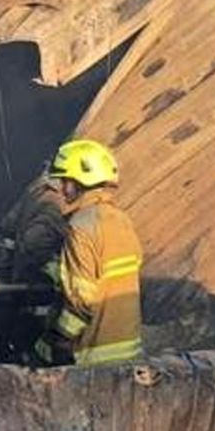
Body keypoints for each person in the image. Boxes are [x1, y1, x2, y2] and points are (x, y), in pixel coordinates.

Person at [38, 139, 143, 366]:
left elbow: (82, 296)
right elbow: (109, 275)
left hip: (90, 355)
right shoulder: (121, 220)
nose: (63, 189)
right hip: (127, 349)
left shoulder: (81, 226)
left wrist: (59, 339)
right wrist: (57, 271)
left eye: (66, 181)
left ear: (81, 182)